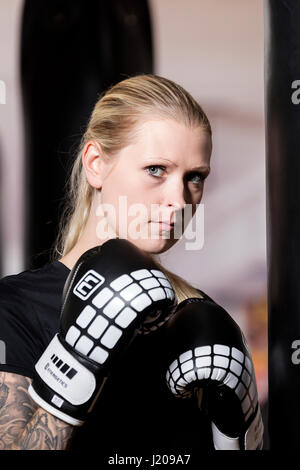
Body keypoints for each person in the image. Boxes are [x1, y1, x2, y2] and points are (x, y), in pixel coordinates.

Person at [0, 74, 215, 452]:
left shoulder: (197, 318)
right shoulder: (13, 308)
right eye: (156, 170)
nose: (180, 201)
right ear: (96, 164)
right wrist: (78, 356)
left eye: (194, 177)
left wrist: (241, 430)